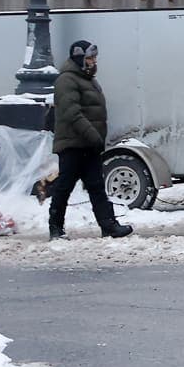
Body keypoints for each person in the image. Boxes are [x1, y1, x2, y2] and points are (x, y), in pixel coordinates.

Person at [46, 40, 133, 239]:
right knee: (64, 187)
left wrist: (95, 138)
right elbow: (72, 113)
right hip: (73, 145)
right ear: (79, 58)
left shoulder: (87, 79)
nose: (93, 62)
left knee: (96, 187)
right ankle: (55, 227)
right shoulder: (67, 80)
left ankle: (109, 226)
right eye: (89, 58)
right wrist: (94, 135)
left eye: (94, 58)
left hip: (88, 145)